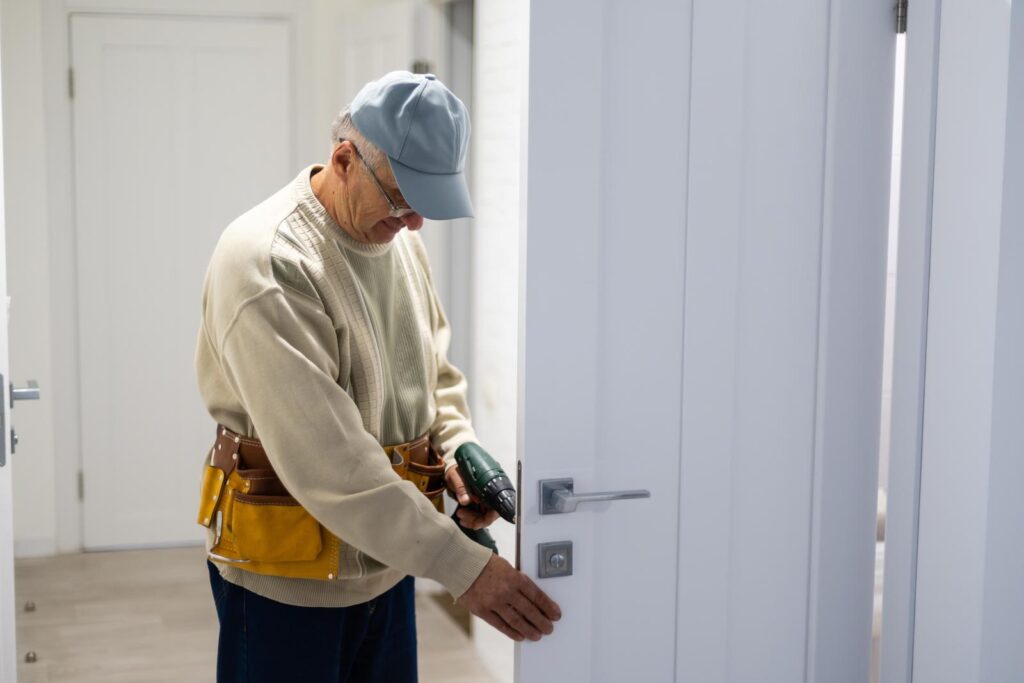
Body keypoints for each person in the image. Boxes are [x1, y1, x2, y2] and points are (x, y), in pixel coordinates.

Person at [194, 71, 561, 682]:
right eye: (402, 198)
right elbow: (327, 460)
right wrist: (462, 566)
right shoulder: (268, 262)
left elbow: (433, 372)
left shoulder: (396, 239)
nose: (414, 223)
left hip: (386, 562)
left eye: (427, 206)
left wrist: (459, 448)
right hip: (288, 579)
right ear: (344, 160)